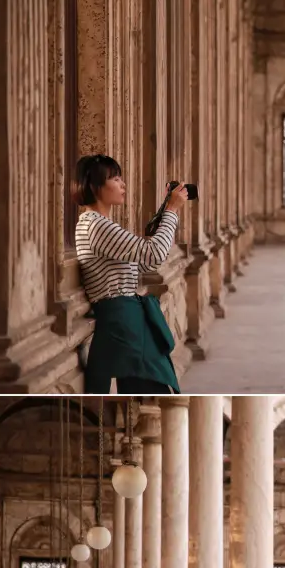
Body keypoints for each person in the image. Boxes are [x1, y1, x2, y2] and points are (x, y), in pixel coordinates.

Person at [73, 154, 189, 393]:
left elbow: (143, 264)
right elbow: (154, 255)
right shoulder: (96, 225)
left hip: (127, 321)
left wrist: (162, 219)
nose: (123, 184)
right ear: (94, 186)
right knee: (152, 388)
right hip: (122, 323)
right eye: (115, 178)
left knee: (144, 387)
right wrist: (171, 212)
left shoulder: (100, 224)